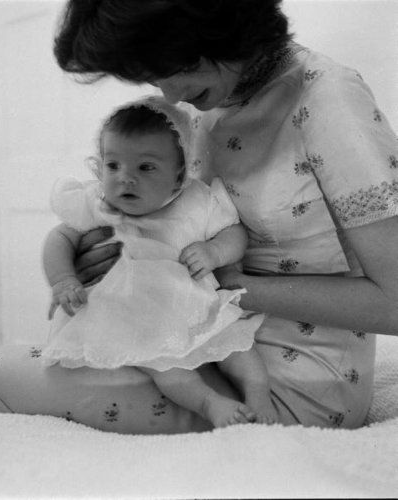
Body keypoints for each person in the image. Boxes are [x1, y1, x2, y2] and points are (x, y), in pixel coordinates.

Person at [0, 0, 398, 431]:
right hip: (193, 343)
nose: (169, 93)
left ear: (225, 26)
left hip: (295, 380)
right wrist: (110, 264)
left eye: (177, 68)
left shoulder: (327, 99)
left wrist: (223, 285)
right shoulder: (203, 101)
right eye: (153, 76)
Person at [41, 96, 274, 426]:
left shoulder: (197, 200)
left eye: (145, 167)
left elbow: (234, 233)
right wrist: (64, 279)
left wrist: (214, 252)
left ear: (179, 176)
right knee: (167, 369)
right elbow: (60, 238)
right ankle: (209, 404)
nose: (125, 178)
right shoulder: (98, 202)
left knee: (237, 344)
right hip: (138, 317)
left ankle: (258, 392)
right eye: (113, 165)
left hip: (193, 303)